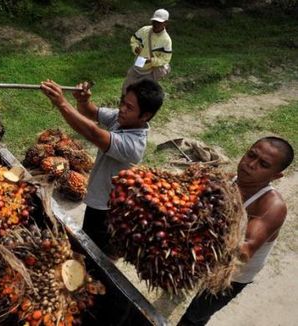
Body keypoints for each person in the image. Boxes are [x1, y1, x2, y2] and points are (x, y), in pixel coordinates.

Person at [178, 136, 295, 326]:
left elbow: (244, 251)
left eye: (263, 164)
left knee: (194, 316)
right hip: (208, 256)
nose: (250, 165)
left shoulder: (272, 206)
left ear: (276, 176)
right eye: (251, 155)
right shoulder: (229, 180)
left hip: (233, 275)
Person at [40, 78, 164, 257]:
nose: (122, 109)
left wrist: (61, 103)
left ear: (145, 116)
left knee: (94, 252)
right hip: (99, 198)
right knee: (90, 245)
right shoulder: (123, 119)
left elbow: (92, 132)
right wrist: (83, 101)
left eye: (129, 107)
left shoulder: (133, 145)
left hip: (106, 208)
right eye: (123, 102)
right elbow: (92, 112)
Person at [121, 8, 172, 94]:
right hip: (138, 65)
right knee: (126, 89)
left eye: (159, 22)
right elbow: (134, 40)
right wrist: (135, 48)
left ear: (165, 23)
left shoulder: (166, 40)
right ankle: (123, 103)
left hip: (150, 71)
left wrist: (151, 60)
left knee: (142, 93)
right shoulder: (144, 30)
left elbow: (165, 59)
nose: (156, 24)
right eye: (154, 21)